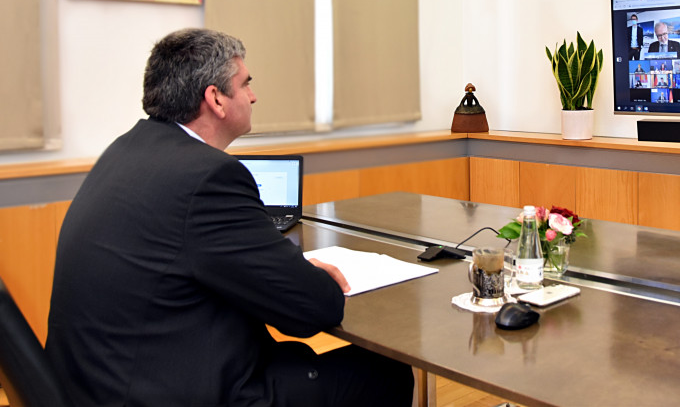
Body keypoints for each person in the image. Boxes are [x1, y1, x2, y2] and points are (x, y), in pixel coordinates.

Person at [46, 28, 413, 407]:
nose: (253, 95)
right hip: (167, 390)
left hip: (96, 382)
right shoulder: (209, 176)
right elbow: (312, 310)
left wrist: (283, 273)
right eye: (245, 83)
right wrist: (310, 278)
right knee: (386, 372)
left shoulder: (125, 151)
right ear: (216, 99)